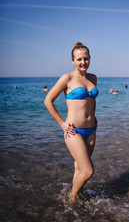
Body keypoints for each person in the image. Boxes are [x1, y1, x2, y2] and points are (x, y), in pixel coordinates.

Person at [44, 42, 99, 203]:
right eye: (79, 59)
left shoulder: (93, 77)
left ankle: (78, 196)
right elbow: (48, 101)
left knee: (80, 168)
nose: (83, 62)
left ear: (90, 59)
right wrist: (61, 123)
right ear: (73, 60)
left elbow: (91, 100)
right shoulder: (67, 78)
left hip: (91, 131)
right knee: (88, 171)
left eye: (86, 59)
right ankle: (72, 198)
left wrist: (94, 117)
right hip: (73, 131)